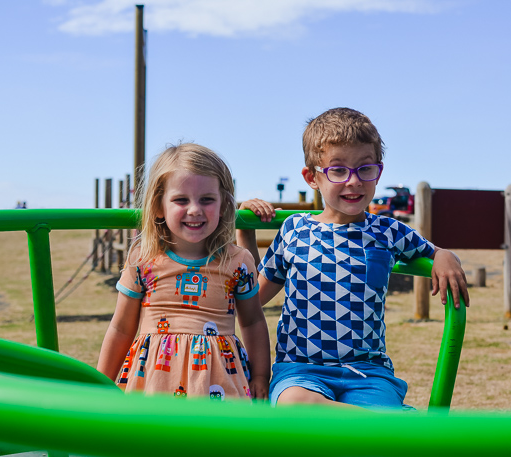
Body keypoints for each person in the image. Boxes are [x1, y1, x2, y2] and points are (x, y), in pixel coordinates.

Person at [237, 107, 469, 410]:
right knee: (294, 406)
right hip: (300, 370)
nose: (354, 181)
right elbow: (255, 297)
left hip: (368, 373)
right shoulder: (295, 229)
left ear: (378, 171)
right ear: (312, 178)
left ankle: (379, 423)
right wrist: (246, 234)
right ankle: (393, 427)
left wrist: (446, 257)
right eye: (338, 170)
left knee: (343, 416)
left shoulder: (387, 230)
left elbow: (434, 252)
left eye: (365, 168)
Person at [97, 143, 270, 401]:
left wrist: (259, 377)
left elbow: (254, 322)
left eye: (207, 199)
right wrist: (101, 383)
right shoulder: (143, 259)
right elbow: (121, 328)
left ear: (223, 205)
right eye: (181, 200)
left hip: (219, 382)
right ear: (158, 206)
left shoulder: (237, 261)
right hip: (154, 381)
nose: (194, 210)